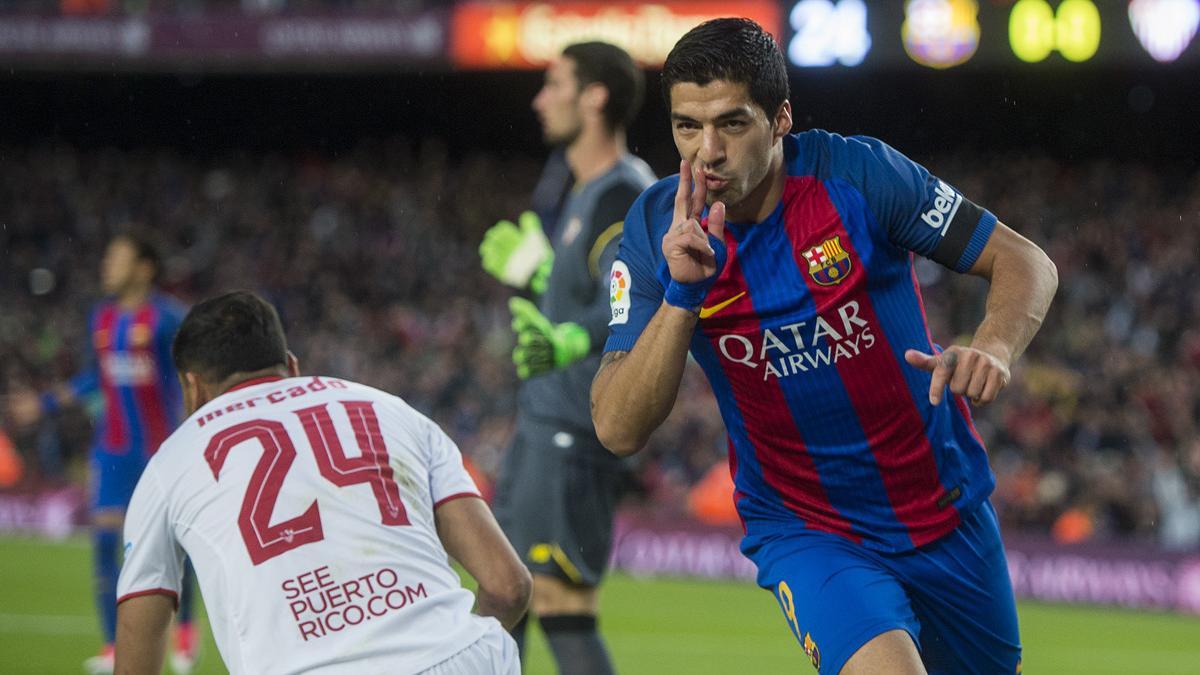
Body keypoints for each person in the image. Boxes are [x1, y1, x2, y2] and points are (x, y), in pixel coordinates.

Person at [591, 19, 1058, 675]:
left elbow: (1025, 261)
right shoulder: (652, 231)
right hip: (807, 527)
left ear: (781, 118)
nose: (706, 152)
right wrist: (682, 294)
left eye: (732, 123)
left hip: (944, 509)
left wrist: (994, 345)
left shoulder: (859, 177)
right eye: (687, 127)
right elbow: (616, 425)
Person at [114, 290, 531, 674]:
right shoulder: (392, 410)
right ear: (291, 366)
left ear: (193, 386)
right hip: (465, 658)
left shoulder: (171, 461)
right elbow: (508, 586)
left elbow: (138, 642)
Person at [478, 41, 655, 673]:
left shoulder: (620, 194)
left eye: (554, 84)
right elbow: (593, 288)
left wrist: (569, 341)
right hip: (544, 426)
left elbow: (633, 302)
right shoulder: (585, 193)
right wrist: (540, 273)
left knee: (553, 600)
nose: (540, 99)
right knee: (505, 595)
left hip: (573, 431)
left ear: (595, 97)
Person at [7, 233, 199, 674]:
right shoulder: (102, 317)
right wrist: (45, 403)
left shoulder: (167, 319)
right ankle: (114, 645)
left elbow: (193, 372)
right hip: (112, 450)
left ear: (145, 268)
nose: (107, 266)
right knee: (105, 547)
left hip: (159, 450)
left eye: (118, 259)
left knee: (173, 548)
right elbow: (98, 376)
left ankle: (185, 628)